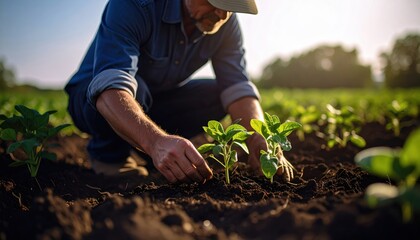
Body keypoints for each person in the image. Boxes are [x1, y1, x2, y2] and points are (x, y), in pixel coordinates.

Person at [65, 0, 270, 183]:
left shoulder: (225, 25)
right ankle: (109, 155)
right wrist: (155, 142)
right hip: (96, 98)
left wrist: (259, 138)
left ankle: (153, 150)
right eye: (216, 4)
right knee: (137, 89)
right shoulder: (136, 5)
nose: (222, 15)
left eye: (231, 8)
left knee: (216, 95)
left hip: (154, 100)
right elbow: (110, 86)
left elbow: (237, 85)